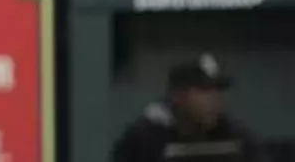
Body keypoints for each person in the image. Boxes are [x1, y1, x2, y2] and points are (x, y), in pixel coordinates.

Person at [113, 54, 264, 162]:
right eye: (204, 91)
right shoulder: (143, 139)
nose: (214, 99)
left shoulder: (233, 134)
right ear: (178, 96)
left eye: (218, 90)